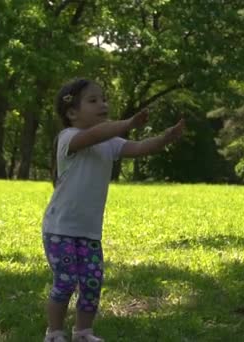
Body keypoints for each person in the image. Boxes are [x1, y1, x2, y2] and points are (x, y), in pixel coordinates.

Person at [41, 78, 185, 342]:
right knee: (65, 282)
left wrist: (165, 138)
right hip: (60, 228)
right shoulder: (68, 137)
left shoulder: (110, 142)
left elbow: (140, 148)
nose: (102, 104)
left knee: (92, 283)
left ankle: (83, 332)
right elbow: (95, 135)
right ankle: (54, 332)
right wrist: (128, 124)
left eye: (104, 99)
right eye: (93, 100)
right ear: (72, 113)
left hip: (89, 231)